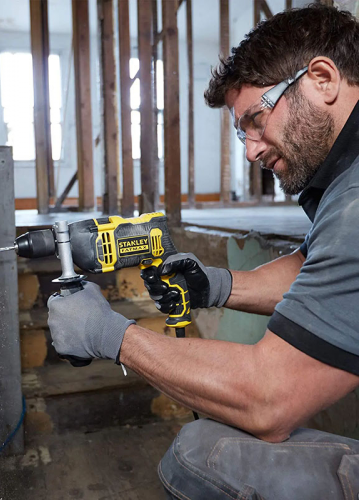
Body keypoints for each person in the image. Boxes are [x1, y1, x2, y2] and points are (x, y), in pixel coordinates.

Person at [47, 5, 359, 499]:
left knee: (199, 452)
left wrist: (109, 334)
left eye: (257, 119)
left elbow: (269, 398)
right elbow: (319, 266)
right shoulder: (344, 181)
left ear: (322, 79)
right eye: (242, 132)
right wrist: (215, 285)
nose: (251, 150)